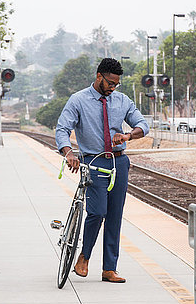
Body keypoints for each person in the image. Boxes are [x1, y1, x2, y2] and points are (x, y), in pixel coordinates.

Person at [55, 58, 149, 283]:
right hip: (93, 162)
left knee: (115, 216)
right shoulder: (78, 100)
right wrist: (68, 153)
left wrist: (127, 135)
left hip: (119, 163)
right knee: (97, 212)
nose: (113, 87)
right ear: (99, 77)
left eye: (116, 84)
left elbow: (143, 125)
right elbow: (62, 129)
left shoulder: (122, 100)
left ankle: (109, 268)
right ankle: (84, 257)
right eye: (110, 83)